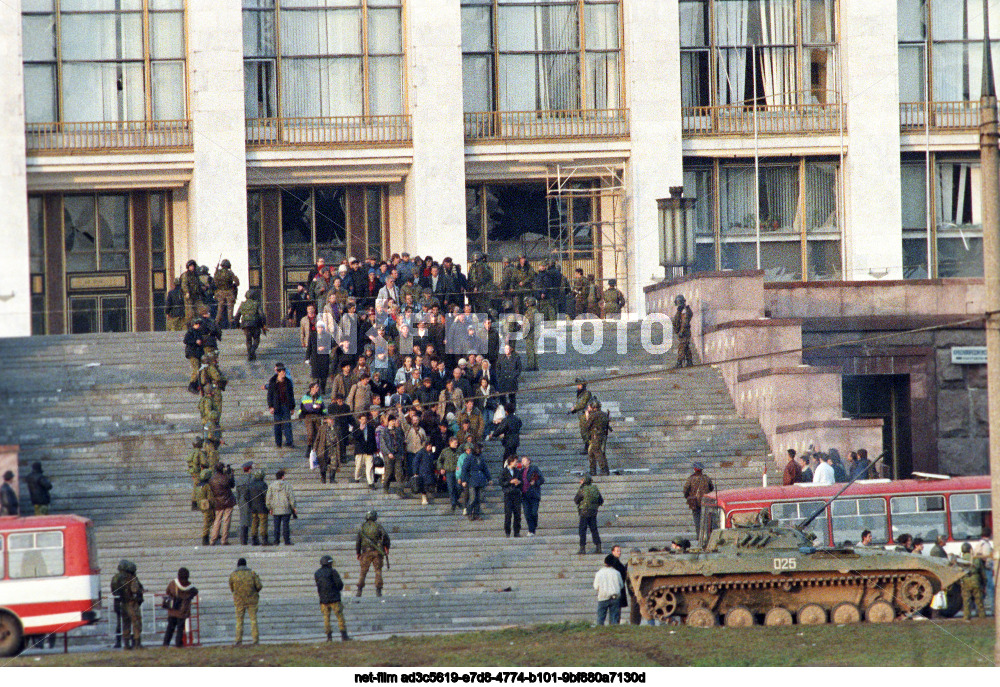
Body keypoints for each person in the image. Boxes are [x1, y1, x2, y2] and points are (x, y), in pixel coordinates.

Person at [229, 557, 263, 645]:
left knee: (239, 621)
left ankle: (238, 640)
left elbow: (231, 588)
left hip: (239, 601)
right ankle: (255, 640)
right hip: (252, 600)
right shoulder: (252, 573)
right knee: (253, 620)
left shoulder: (233, 575)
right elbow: (259, 586)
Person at [356, 510, 391, 597]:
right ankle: (378, 590)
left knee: (363, 572)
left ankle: (359, 590)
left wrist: (358, 552)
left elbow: (358, 541)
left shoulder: (362, 527)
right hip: (377, 552)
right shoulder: (378, 526)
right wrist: (387, 547)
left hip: (365, 552)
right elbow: (386, 537)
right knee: (378, 571)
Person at [315, 555, 349, 642]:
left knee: (326, 618)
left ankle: (329, 637)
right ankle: (344, 636)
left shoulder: (317, 573)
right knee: (340, 617)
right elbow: (339, 585)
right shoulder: (333, 572)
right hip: (335, 598)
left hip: (323, 600)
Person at [111, 559, 144, 649]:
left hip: (120, 604)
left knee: (124, 624)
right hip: (131, 603)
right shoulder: (131, 578)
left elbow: (114, 591)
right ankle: (137, 643)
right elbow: (135, 590)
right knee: (136, 623)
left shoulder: (115, 578)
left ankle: (126, 644)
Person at [163, 568, 198, 647]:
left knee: (170, 628)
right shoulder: (190, 586)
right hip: (182, 610)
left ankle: (166, 643)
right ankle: (178, 643)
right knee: (180, 629)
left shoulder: (173, 583)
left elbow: (167, 591)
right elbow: (195, 592)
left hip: (173, 610)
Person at [267, 363, 296, 448]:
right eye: (282, 372)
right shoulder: (273, 382)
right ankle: (278, 443)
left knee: (287, 424)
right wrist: (270, 406)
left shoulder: (287, 382)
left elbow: (291, 395)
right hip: (277, 406)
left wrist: (292, 407)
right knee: (277, 426)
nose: (284, 373)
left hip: (286, 406)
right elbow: (270, 395)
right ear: (278, 372)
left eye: (284, 372)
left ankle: (289, 441)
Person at [683, 462, 714, 540]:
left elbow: (685, 491)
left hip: (695, 503)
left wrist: (688, 497)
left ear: (694, 469)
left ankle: (699, 537)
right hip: (706, 502)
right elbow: (711, 488)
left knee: (697, 522)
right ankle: (707, 536)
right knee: (707, 520)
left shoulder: (690, 479)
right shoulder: (706, 478)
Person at [460, 444, 491, 521]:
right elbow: (464, 469)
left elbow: (485, 468)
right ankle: (470, 513)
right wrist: (463, 480)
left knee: (479, 498)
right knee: (473, 498)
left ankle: (477, 513)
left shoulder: (481, 457)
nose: (480, 450)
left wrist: (489, 478)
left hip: (480, 480)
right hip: (472, 480)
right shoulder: (469, 457)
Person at [266, 469, 296, 546]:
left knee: (276, 526)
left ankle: (276, 541)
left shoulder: (271, 486)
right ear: (283, 476)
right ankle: (287, 541)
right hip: (286, 508)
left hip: (275, 508)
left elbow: (268, 498)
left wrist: (269, 508)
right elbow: (291, 497)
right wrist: (293, 507)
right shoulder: (287, 485)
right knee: (286, 525)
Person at [208, 462, 236, 546]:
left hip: (218, 501)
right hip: (227, 500)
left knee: (217, 520)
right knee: (226, 520)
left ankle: (212, 539)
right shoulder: (225, 478)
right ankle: (224, 540)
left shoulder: (212, 479)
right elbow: (232, 485)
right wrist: (231, 475)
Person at [575, 475, 604, 555]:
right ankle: (598, 547)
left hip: (584, 512)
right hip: (593, 512)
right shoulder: (595, 489)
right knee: (594, 529)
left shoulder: (582, 489)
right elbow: (601, 501)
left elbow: (576, 500)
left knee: (582, 530)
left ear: (585, 481)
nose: (580, 481)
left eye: (582, 480)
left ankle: (582, 548)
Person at [594, 554, 624, 625]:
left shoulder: (599, 573)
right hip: (614, 598)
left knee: (600, 619)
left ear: (605, 562)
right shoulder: (617, 573)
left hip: (602, 597)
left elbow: (595, 586)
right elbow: (621, 585)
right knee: (614, 620)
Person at [236, 289, 266, 361]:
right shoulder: (256, 303)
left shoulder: (242, 304)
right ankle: (252, 351)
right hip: (255, 324)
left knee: (248, 339)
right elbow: (262, 315)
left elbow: (237, 315)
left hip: (245, 324)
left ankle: (250, 353)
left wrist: (237, 324)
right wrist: (263, 324)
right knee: (256, 339)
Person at [960, 541, 986, 620]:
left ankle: (966, 617)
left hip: (965, 581)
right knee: (979, 600)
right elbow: (982, 572)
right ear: (970, 549)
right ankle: (982, 616)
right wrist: (984, 583)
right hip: (976, 580)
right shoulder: (976, 559)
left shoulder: (960, 560)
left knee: (966, 600)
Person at [584, 400, 611, 476]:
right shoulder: (604, 414)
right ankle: (593, 470)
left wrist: (587, 416)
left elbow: (587, 426)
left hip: (596, 436)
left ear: (594, 407)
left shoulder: (594, 415)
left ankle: (603, 469)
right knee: (591, 452)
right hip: (602, 435)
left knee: (597, 451)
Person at [352, 412, 378, 488]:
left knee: (369, 467)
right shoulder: (356, 427)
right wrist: (360, 430)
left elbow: (373, 439)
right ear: (359, 420)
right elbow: (355, 438)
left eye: (365, 419)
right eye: (362, 419)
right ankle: (357, 478)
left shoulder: (370, 427)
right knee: (358, 466)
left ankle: (371, 482)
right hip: (360, 450)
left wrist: (375, 449)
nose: (364, 421)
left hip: (368, 450)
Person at [569, 378, 594, 456]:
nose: (578, 386)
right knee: (583, 432)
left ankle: (589, 448)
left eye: (579, 384)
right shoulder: (580, 393)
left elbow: (582, 404)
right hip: (581, 416)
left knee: (585, 432)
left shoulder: (586, 393)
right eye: (577, 384)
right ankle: (588, 447)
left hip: (585, 416)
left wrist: (574, 408)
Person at [500, 455, 523, 538]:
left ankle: (517, 532)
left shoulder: (517, 471)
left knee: (517, 514)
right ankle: (507, 532)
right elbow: (501, 482)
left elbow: (522, 482)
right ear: (511, 462)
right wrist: (510, 482)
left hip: (516, 494)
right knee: (508, 514)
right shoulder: (504, 471)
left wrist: (519, 482)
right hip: (508, 495)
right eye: (515, 461)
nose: (517, 463)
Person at [521, 456, 544, 537]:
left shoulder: (534, 468)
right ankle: (531, 530)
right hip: (524, 495)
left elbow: (542, 479)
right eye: (522, 460)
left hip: (534, 494)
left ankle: (533, 526)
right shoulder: (521, 470)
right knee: (527, 513)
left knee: (533, 512)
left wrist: (535, 483)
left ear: (529, 461)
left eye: (524, 460)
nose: (522, 461)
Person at [214, 259, 240, 328]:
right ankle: (231, 323)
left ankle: (217, 323)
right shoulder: (230, 273)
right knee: (230, 308)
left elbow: (215, 282)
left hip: (220, 292)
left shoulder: (218, 272)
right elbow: (237, 283)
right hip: (229, 292)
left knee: (220, 309)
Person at [247, 469, 270, 546]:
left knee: (254, 523)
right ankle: (264, 540)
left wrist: (250, 505)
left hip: (253, 508)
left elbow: (246, 496)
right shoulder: (263, 484)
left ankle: (254, 539)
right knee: (263, 523)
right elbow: (266, 496)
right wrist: (269, 506)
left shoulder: (250, 484)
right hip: (262, 507)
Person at [234, 461, 254, 546]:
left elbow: (237, 493)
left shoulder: (239, 480)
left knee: (243, 520)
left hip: (242, 501)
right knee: (253, 520)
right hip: (250, 500)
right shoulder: (251, 478)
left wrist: (239, 502)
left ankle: (243, 540)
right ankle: (253, 538)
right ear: (250, 469)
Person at [672, 294, 694, 368]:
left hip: (684, 332)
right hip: (683, 331)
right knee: (686, 347)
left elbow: (685, 322)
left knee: (682, 347)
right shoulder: (682, 310)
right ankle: (689, 361)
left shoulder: (685, 310)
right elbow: (676, 320)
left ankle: (679, 362)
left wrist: (681, 331)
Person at [413, 439, 438, 505]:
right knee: (423, 486)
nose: (430, 447)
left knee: (429, 484)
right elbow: (416, 462)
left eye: (431, 446)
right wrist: (415, 472)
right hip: (422, 471)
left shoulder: (431, 453)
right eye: (429, 446)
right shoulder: (421, 453)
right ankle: (424, 497)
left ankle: (428, 495)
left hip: (430, 471)